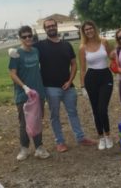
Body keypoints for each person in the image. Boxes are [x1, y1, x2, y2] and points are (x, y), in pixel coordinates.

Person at [34, 18, 96, 152]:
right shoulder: (40, 46)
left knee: (73, 113)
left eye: (53, 25)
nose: (51, 28)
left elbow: (74, 63)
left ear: (57, 26)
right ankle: (60, 142)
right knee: (55, 116)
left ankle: (81, 137)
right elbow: (27, 52)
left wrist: (70, 80)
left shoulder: (66, 45)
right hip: (50, 88)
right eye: (48, 26)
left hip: (69, 87)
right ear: (45, 29)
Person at [8, 26, 50, 161]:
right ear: (20, 39)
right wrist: (24, 87)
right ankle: (24, 149)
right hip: (23, 94)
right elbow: (12, 74)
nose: (27, 38)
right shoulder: (16, 54)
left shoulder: (36, 51)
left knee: (37, 120)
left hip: (38, 92)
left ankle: (39, 148)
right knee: (24, 122)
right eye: (24, 37)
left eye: (29, 36)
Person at [79, 21, 114, 150]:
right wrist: (82, 87)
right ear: (84, 32)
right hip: (91, 78)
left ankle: (108, 135)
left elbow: (112, 56)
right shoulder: (82, 48)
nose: (89, 31)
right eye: (86, 29)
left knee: (102, 108)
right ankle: (101, 138)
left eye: (90, 28)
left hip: (105, 76)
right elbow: (82, 69)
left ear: (95, 28)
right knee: (95, 110)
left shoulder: (104, 42)